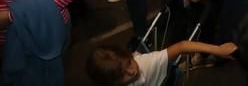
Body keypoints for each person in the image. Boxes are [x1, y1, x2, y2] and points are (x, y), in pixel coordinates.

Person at [86, 41, 237, 86]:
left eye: (129, 63)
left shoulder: (145, 63)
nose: (132, 71)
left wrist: (218, 49)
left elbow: (182, 46)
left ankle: (185, 66)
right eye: (123, 74)